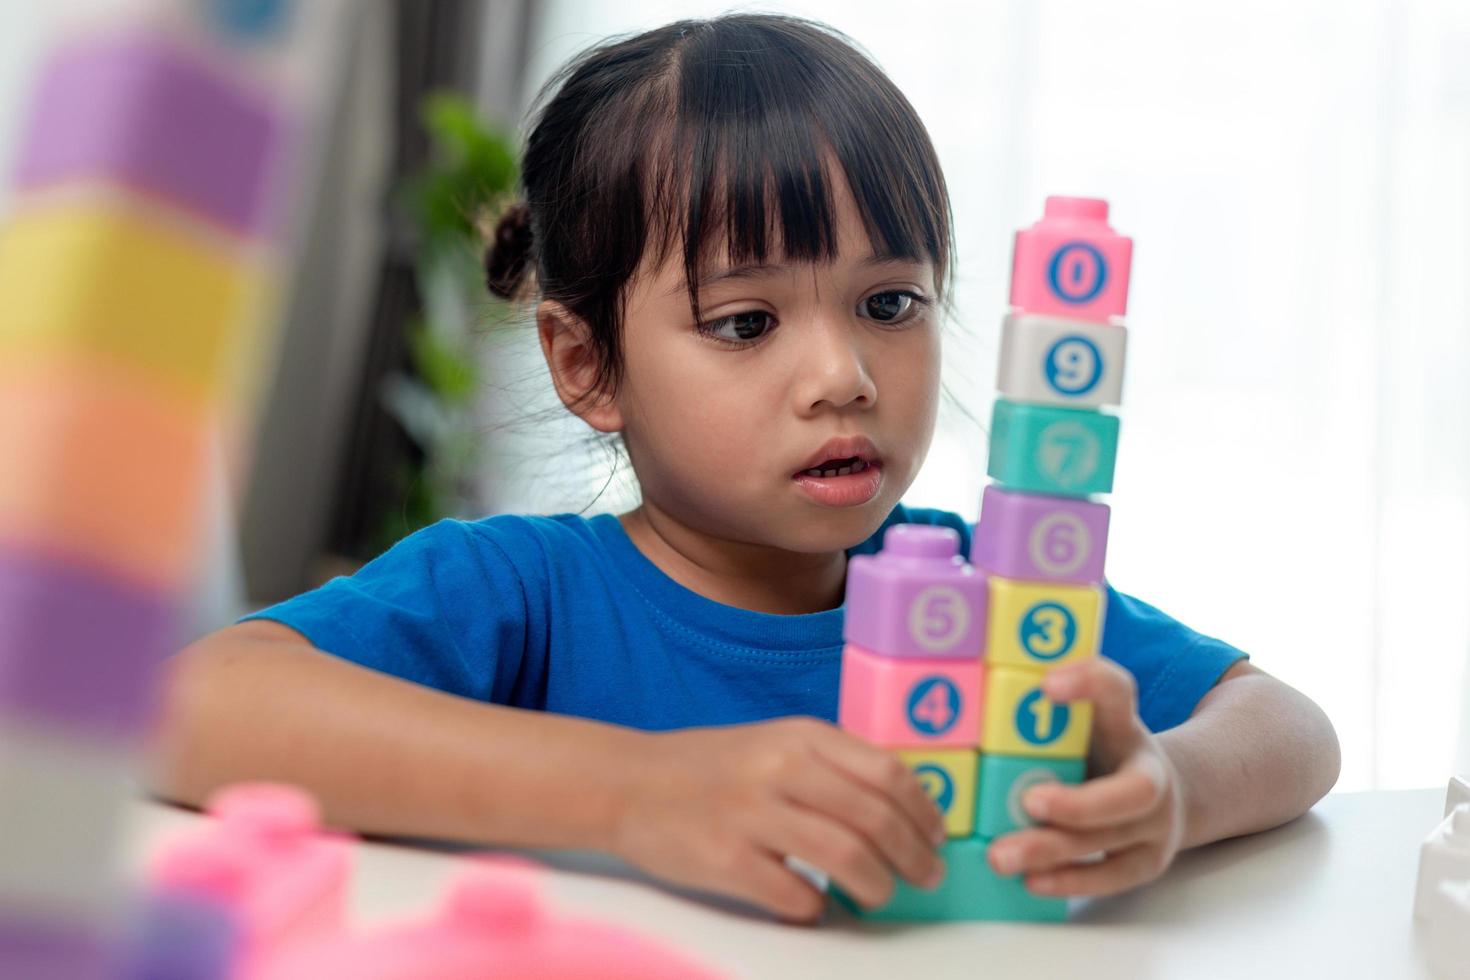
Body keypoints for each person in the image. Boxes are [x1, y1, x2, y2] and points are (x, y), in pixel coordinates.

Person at [152, 13, 1341, 923]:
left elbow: (1287, 726)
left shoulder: (984, 594)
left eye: (889, 302)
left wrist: (1170, 791)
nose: (843, 375)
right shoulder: (520, 593)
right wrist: (639, 791)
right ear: (587, 363)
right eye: (743, 322)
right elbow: (186, 705)